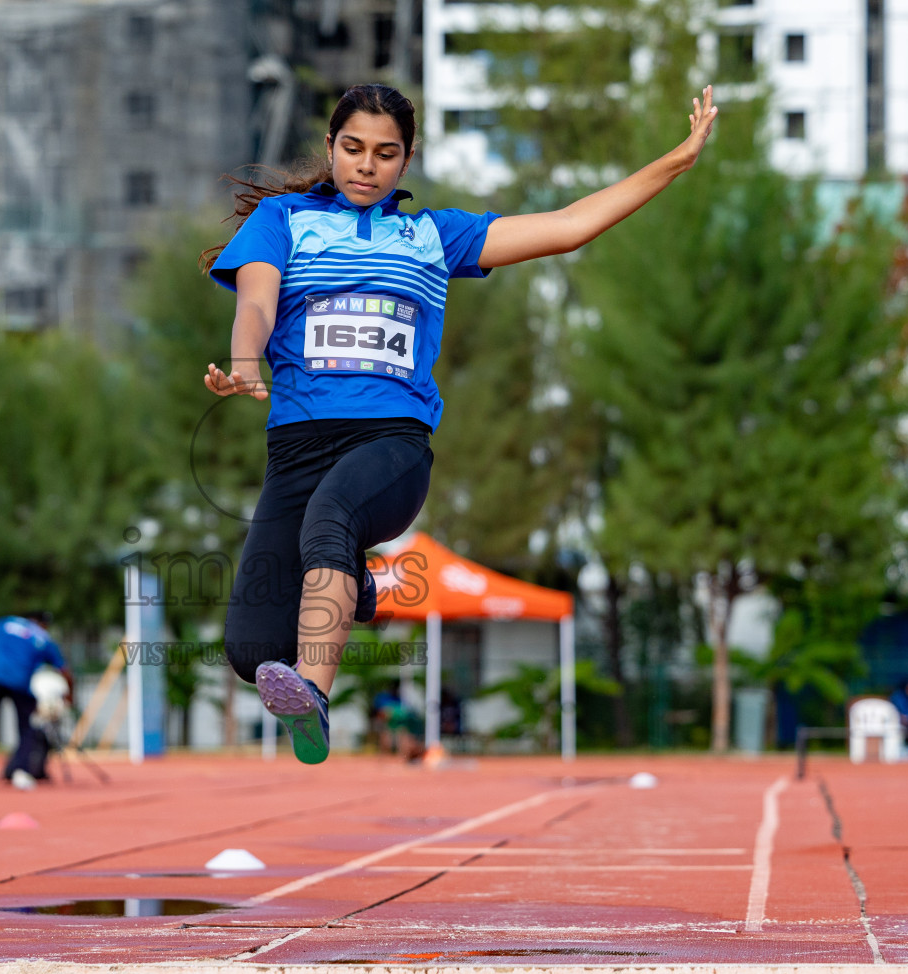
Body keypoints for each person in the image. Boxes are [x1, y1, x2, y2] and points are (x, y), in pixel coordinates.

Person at [202, 82, 719, 764]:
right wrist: (246, 362)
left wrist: (676, 161)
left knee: (332, 520)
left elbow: (567, 227)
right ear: (330, 148)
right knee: (250, 651)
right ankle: (357, 588)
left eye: (386, 154)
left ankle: (315, 697)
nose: (366, 165)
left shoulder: (433, 235)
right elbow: (258, 300)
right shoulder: (281, 221)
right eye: (352, 148)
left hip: (391, 444)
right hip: (296, 447)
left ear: (406, 161)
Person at [0, 611, 72, 791]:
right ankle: (22, 773)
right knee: (26, 727)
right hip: (21, 682)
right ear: (43, 624)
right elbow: (64, 672)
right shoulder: (43, 636)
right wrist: (69, 696)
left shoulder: (4, 622)